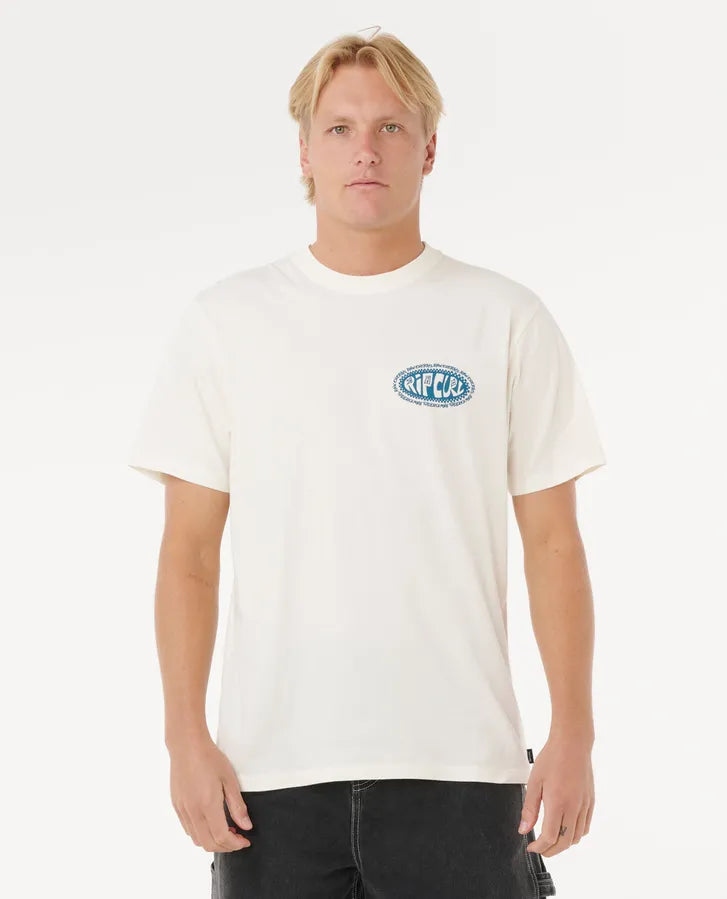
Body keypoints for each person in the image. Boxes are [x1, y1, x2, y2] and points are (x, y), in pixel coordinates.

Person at [127, 25, 606, 899]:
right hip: (270, 778)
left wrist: (573, 731)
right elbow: (188, 554)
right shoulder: (226, 324)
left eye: (391, 127)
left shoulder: (502, 318)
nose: (366, 151)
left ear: (430, 148)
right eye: (340, 128)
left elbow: (553, 544)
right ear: (304, 151)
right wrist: (183, 738)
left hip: (464, 768)